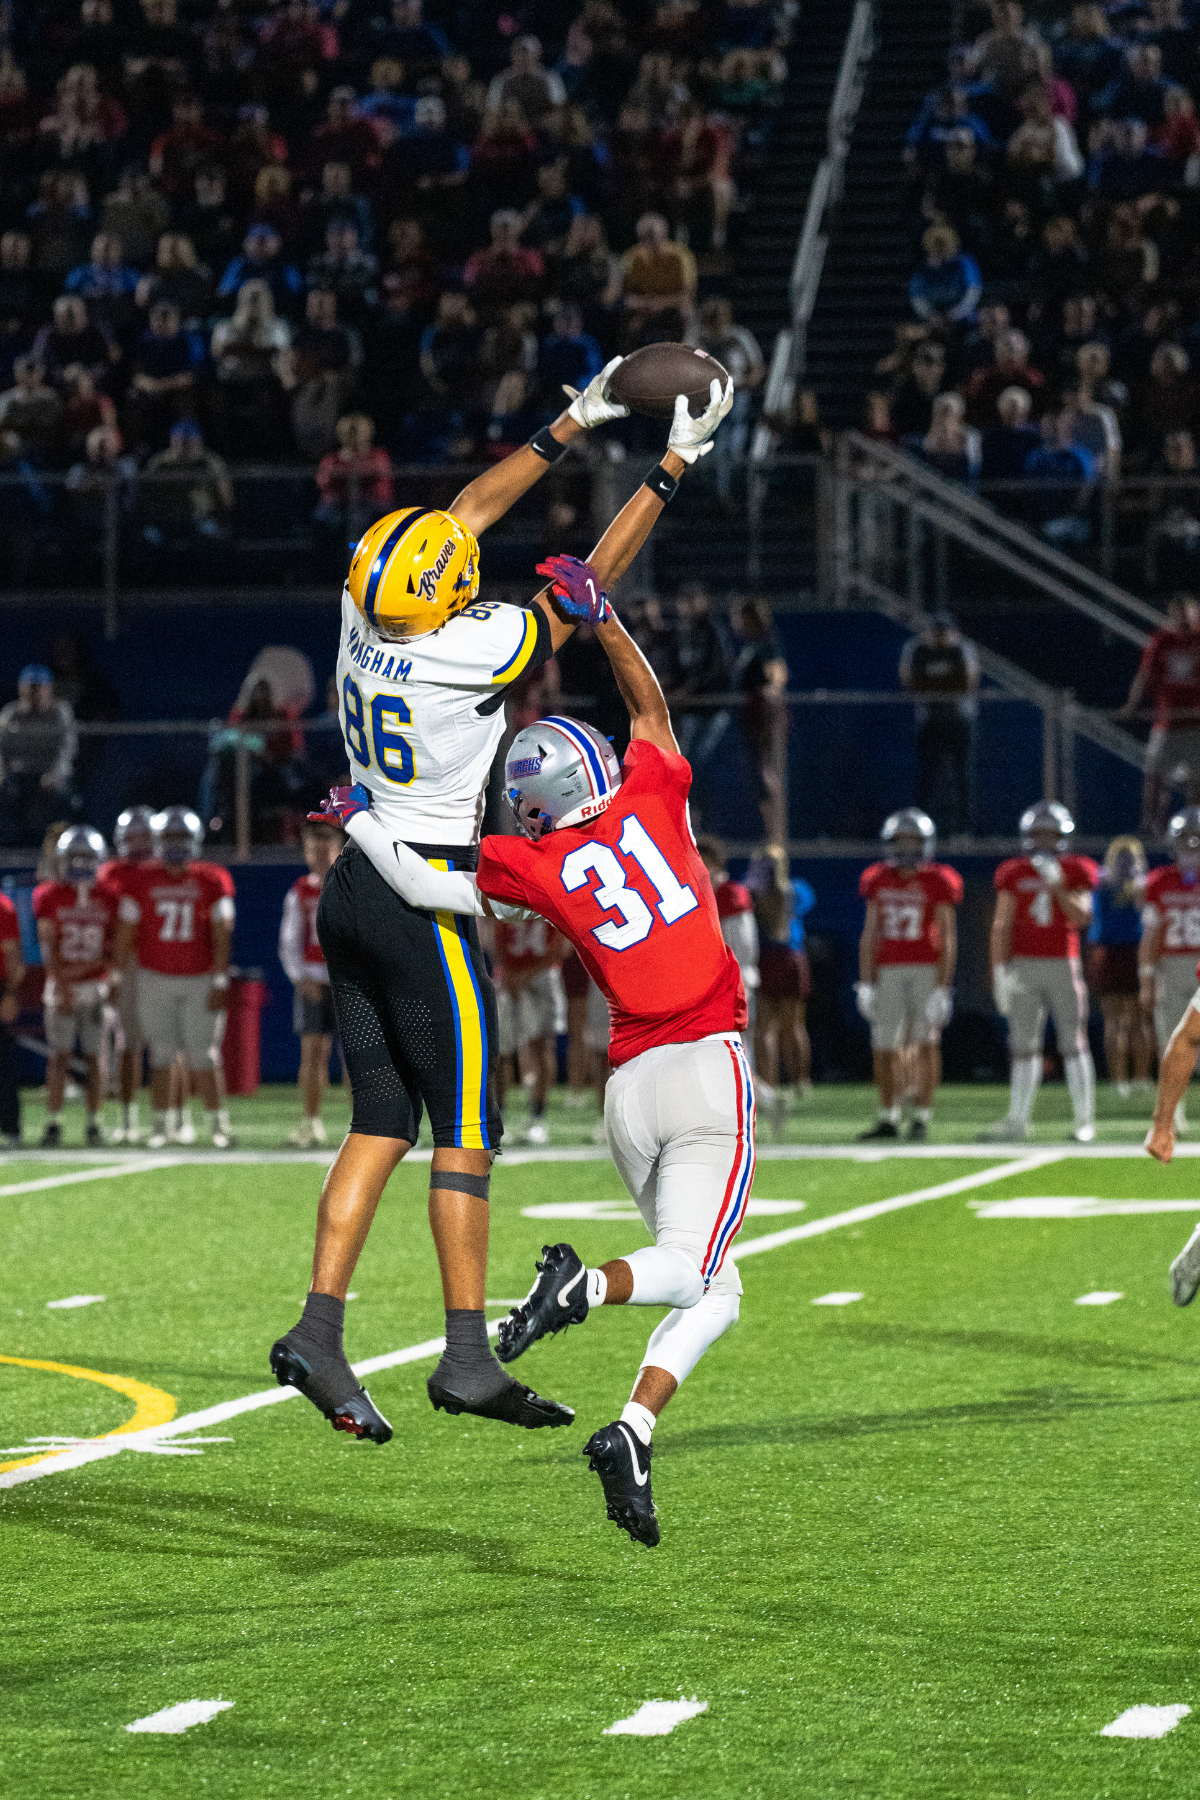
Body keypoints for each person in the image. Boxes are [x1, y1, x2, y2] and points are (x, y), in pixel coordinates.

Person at [267, 359, 735, 1449]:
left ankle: (320, 1330)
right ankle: (468, 1358)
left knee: (381, 1118)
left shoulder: (360, 602)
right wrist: (668, 468)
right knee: (468, 1130)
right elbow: (585, 590)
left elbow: (463, 518)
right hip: (424, 899)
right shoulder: (465, 654)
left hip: (352, 887)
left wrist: (574, 417)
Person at [324, 557, 751, 1549]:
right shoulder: (652, 792)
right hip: (705, 1065)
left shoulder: (536, 860)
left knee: (712, 1282)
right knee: (687, 1270)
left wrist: (366, 825)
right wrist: (604, 625)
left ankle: (634, 1428)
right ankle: (581, 1289)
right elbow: (650, 715)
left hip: (628, 1092)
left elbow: (438, 887)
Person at [111, 806, 236, 1150]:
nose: (175, 844)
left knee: (204, 1055)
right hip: (154, 976)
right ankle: (161, 1126)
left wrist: (220, 980)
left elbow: (222, 932)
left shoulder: (212, 878)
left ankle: (217, 1125)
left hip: (199, 978)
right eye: (169, 837)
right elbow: (126, 931)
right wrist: (118, 975)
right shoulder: (141, 879)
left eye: (181, 837)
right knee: (162, 1053)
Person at [986, 801, 1099, 1142]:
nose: (1045, 842)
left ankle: (1084, 1121)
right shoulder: (1013, 871)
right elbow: (1001, 925)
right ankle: (1018, 1120)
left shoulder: (1077, 868)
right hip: (1022, 964)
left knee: (1073, 1043)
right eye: (1039, 835)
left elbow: (1081, 918)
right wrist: (1000, 970)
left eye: (1051, 835)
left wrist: (1059, 884)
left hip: (1064, 963)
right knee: (1022, 1045)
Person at [855, 810, 961, 1142]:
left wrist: (943, 988)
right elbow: (870, 933)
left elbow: (947, 936)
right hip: (888, 970)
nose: (907, 847)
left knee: (926, 1043)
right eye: (900, 840)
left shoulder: (939, 879)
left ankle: (921, 1117)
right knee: (884, 1045)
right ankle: (888, 1116)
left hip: (926, 969)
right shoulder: (877, 877)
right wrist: (866, 983)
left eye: (913, 841)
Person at [33, 825, 116, 1147]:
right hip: (62, 986)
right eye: (75, 856)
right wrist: (63, 982)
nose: (80, 863)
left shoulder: (109, 895)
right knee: (59, 1058)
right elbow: (47, 944)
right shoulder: (49, 894)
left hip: (95, 987)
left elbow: (117, 950)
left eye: (86, 857)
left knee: (95, 1058)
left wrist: (85, 972)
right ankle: (54, 1122)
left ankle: (94, 1123)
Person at [279, 819, 343, 1148]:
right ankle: (310, 1121)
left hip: (348, 983)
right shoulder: (300, 890)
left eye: (325, 848)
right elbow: (289, 941)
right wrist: (300, 977)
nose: (318, 856)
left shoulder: (350, 885)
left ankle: (363, 1124)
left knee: (357, 1057)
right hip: (314, 981)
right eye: (312, 850)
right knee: (313, 1055)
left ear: (338, 849)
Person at [1140, 807, 1200, 1133]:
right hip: (1171, 967)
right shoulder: (1160, 881)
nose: (1191, 847)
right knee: (1172, 1042)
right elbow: (1150, 932)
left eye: (1197, 841)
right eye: (1186, 842)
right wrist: (1147, 975)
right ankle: (1171, 1115)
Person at [98, 805, 155, 1143]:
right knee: (128, 1043)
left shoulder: (166, 870)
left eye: (142, 836)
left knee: (168, 1046)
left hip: (163, 962)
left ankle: (172, 1119)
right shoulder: (108, 872)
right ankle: (128, 1117)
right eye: (130, 836)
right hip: (126, 965)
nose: (135, 843)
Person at [1120, 592, 1200, 833]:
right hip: (1166, 722)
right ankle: (1152, 826)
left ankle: (1194, 827)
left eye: (1188, 614)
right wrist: (1131, 705)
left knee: (1196, 781)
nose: (1184, 621)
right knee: (1155, 775)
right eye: (1178, 615)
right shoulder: (1161, 641)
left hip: (1195, 723)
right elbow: (1144, 674)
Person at [898, 613, 980, 836]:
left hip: (959, 721)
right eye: (937, 632)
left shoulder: (961, 649)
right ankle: (917, 831)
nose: (940, 637)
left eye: (945, 632)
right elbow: (909, 680)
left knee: (962, 778)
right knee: (927, 778)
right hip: (930, 721)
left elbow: (969, 681)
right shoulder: (918, 650)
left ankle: (964, 831)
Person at [1087, 835, 1152, 1098]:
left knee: (1133, 1021)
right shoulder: (1103, 883)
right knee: (1121, 1021)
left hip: (1130, 952)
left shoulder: (1141, 885)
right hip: (1115, 952)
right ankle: (1125, 1080)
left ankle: (1135, 1080)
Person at [492, 917, 566, 1144]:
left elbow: (561, 947)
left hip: (541, 977)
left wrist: (525, 974)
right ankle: (498, 1118)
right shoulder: (508, 895)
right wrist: (509, 973)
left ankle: (538, 1117)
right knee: (499, 1051)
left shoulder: (543, 896)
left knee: (541, 1048)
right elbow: (496, 939)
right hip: (510, 976)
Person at [0, 665, 78, 850]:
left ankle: (59, 847)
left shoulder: (60, 711)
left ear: (48, 689)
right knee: (5, 796)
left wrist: (56, 773)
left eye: (38, 688)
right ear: (21, 689)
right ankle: (9, 848)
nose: (34, 694)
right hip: (17, 775)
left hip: (49, 774)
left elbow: (67, 748)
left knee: (64, 798)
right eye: (29, 688)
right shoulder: (11, 713)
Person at [0, 879, 23, 1147]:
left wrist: (9, 994)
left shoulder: (3, 907)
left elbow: (13, 957)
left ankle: (10, 1128)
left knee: (2, 1065)